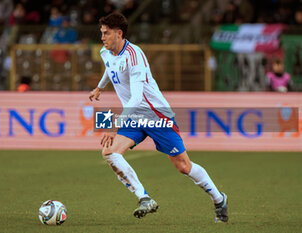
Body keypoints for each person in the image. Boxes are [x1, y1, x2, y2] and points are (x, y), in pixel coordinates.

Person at [89, 12, 228, 222]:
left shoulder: (135, 56)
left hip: (155, 114)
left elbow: (136, 98)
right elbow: (110, 69)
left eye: (106, 33)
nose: (102, 37)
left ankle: (219, 199)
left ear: (119, 33)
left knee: (183, 167)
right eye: (101, 33)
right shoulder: (105, 52)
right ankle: (144, 198)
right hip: (135, 116)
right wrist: (99, 87)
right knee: (109, 152)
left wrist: (115, 125)